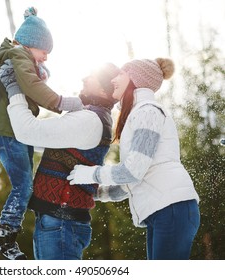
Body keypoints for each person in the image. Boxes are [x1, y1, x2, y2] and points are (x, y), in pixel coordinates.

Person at [67, 58, 200, 260]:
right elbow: (132, 181)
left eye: (121, 73)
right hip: (165, 209)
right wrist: (97, 193)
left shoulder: (148, 111)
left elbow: (131, 171)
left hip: (172, 207)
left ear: (135, 79)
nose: (114, 79)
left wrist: (90, 173)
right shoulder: (139, 112)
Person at [0, 7, 83, 260]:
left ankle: (6, 236)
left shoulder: (21, 58)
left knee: (26, 186)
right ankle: (1, 235)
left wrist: (41, 73)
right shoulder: (18, 56)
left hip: (17, 132)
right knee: (23, 186)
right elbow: (32, 86)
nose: (46, 57)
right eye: (44, 52)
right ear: (30, 45)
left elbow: (32, 84)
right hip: (9, 133)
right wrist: (63, 103)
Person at [0, 60, 120, 259]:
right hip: (59, 222)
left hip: (61, 223)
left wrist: (13, 87)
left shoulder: (88, 120)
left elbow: (28, 133)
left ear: (105, 91)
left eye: (92, 77)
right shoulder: (92, 117)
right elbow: (38, 139)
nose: (84, 78)